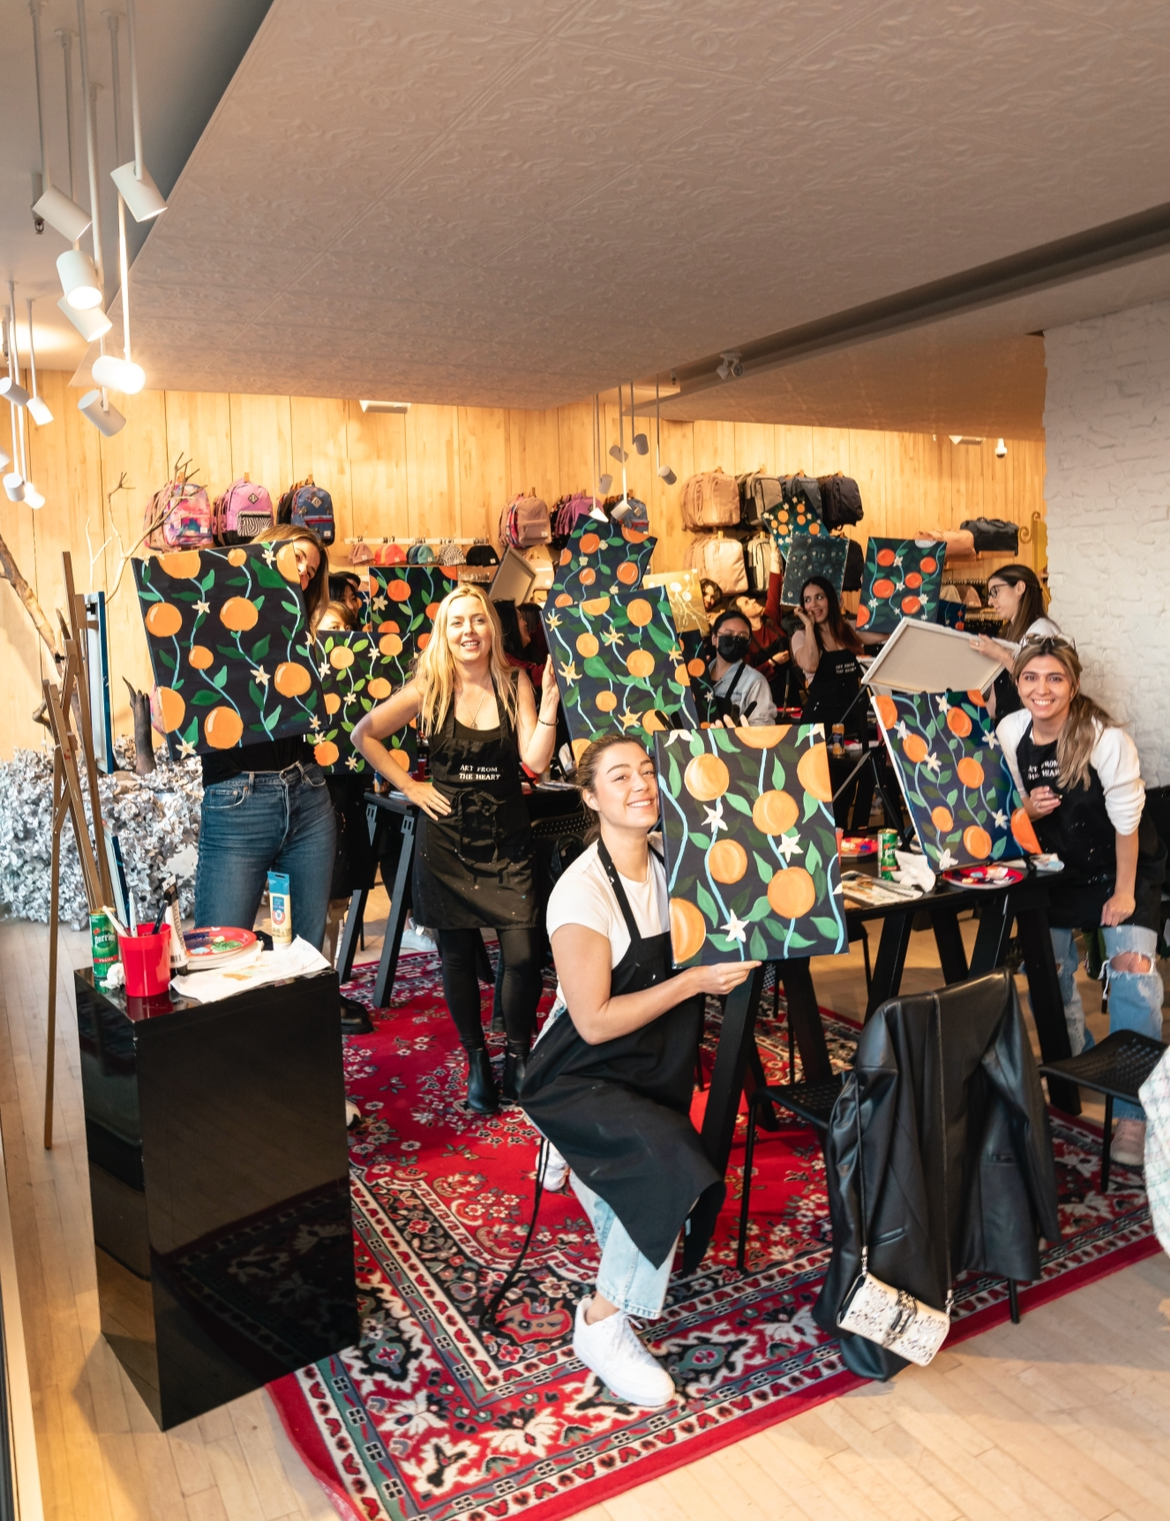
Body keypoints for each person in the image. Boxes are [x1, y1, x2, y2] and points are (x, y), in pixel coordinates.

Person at [520, 736, 758, 1407]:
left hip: (650, 1068)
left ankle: (582, 1163)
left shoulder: (669, 863)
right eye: (620, 776)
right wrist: (693, 984)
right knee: (669, 1168)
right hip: (577, 1072)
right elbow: (592, 1020)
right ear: (590, 797)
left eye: (649, 773)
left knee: (648, 1192)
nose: (643, 786)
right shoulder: (580, 893)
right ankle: (603, 1322)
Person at [352, 585, 561, 1113]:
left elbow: (532, 763)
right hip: (445, 843)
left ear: (492, 627)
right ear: (444, 634)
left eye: (477, 620)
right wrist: (410, 786)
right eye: (456, 622)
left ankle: (516, 1055)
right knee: (458, 958)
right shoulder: (430, 688)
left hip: (507, 839)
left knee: (522, 954)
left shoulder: (516, 682)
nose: (468, 631)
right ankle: (476, 1063)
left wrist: (551, 706)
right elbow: (365, 734)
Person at [998, 637, 1166, 1166]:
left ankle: (1135, 1115)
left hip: (1124, 868)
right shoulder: (1009, 732)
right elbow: (1010, 812)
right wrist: (1027, 809)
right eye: (1030, 678)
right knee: (1048, 973)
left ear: (1072, 685)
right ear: (1018, 682)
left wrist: (1121, 894)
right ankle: (1079, 1064)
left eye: (1054, 679)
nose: (1041, 690)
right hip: (1056, 872)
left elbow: (1128, 825)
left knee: (1133, 973)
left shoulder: (1104, 739)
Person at [193, 523, 338, 955]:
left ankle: (297, 1024)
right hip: (238, 799)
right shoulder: (214, 613)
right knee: (218, 955)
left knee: (304, 957)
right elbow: (180, 700)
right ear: (267, 548)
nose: (303, 573)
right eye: (297, 558)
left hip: (308, 792)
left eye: (311, 570)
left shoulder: (306, 638)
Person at [791, 575, 883, 739]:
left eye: (819, 597)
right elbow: (810, 665)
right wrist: (809, 626)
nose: (813, 605)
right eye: (807, 600)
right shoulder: (801, 636)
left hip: (853, 718)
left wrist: (873, 589)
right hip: (818, 722)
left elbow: (888, 634)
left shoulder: (849, 629)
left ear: (831, 600)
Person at [968, 564, 1060, 720]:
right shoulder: (1007, 632)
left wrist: (1001, 655)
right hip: (1006, 726)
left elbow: (1039, 681)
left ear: (1019, 588)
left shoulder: (1042, 630)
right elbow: (994, 703)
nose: (990, 601)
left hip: (1031, 728)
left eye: (995, 592)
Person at [706, 608, 778, 725]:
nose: (735, 639)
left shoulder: (755, 682)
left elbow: (763, 731)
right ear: (714, 639)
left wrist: (737, 736)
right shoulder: (697, 677)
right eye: (728, 634)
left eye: (742, 636)